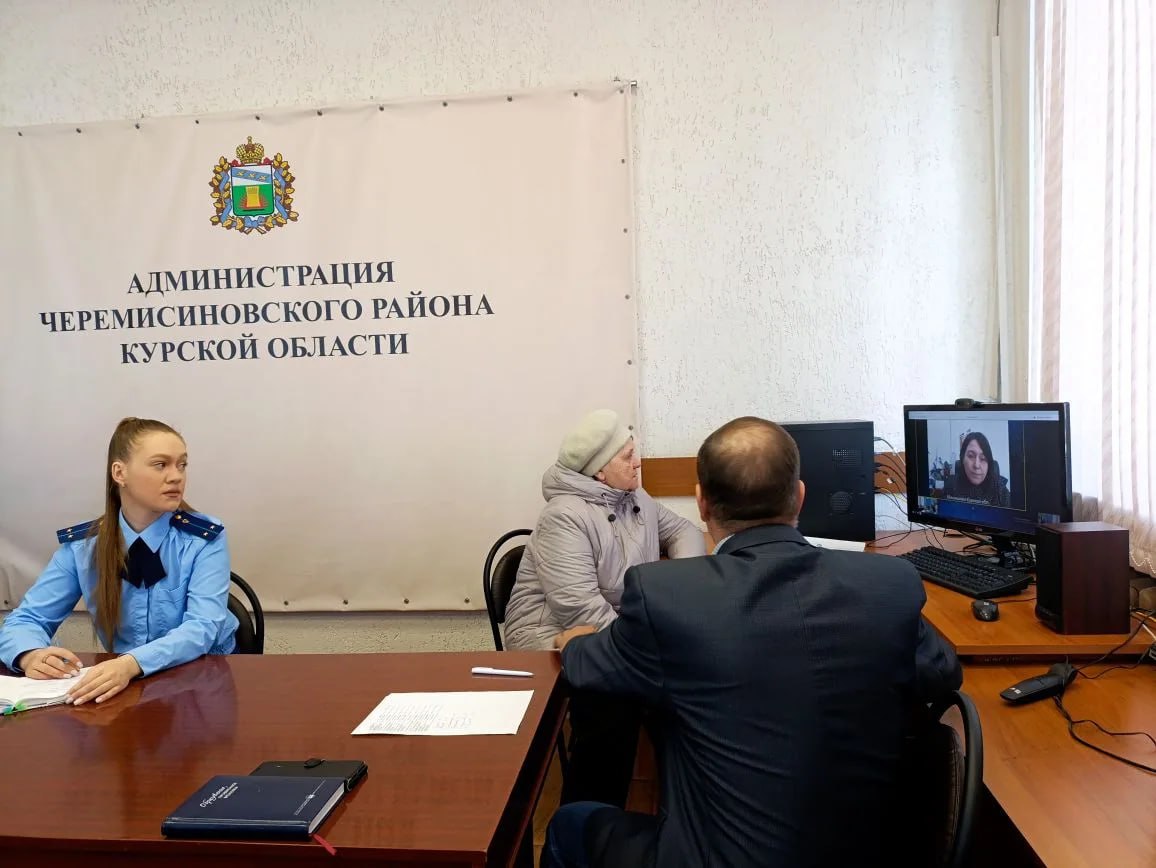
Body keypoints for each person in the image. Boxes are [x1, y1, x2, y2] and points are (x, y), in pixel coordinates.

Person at [542, 417, 963, 868]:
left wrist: (573, 641)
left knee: (569, 825)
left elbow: (587, 666)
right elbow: (942, 673)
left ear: (701, 503)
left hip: (717, 858)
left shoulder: (664, 596)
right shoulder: (889, 583)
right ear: (800, 495)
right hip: (874, 854)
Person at [504, 408, 704, 808]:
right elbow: (580, 610)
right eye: (627, 456)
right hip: (550, 637)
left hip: (612, 628)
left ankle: (676, 805)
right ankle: (589, 815)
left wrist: (680, 586)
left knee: (676, 688)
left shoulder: (635, 498)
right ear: (599, 471)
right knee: (617, 697)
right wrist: (648, 651)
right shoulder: (564, 517)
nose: (638, 462)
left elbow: (684, 531)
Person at [0, 417, 238, 706]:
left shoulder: (203, 538)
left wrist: (131, 663)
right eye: (161, 464)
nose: (176, 476)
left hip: (200, 684)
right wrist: (30, 655)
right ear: (119, 473)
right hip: (127, 689)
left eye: (182, 465)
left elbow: (202, 627)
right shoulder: (84, 547)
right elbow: (28, 619)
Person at [944, 431, 1010, 507]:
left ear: (989, 463)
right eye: (971, 456)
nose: (976, 465)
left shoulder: (1000, 491)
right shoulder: (950, 486)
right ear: (962, 460)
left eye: (983, 458)